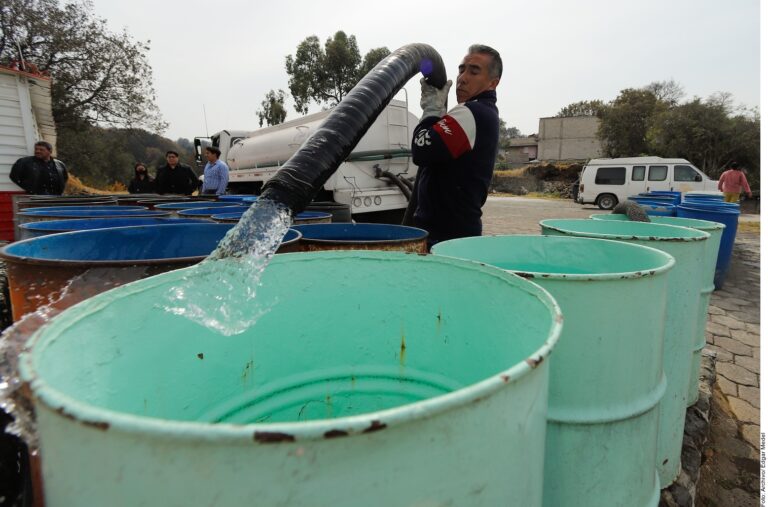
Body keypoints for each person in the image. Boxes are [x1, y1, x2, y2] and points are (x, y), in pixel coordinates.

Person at [409, 44, 501, 246]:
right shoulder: (482, 114)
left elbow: (421, 150)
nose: (463, 78)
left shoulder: (473, 112)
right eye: (461, 69)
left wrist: (431, 110)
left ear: (493, 83)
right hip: (454, 233)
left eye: (474, 71)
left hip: (446, 237)